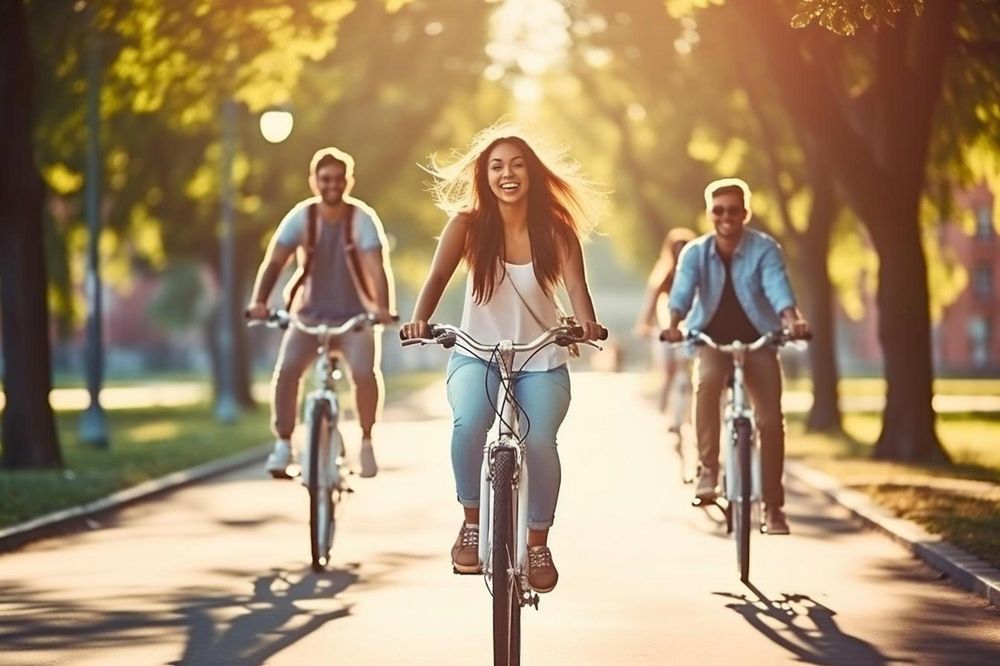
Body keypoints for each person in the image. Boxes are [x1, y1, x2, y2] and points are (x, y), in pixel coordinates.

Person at [399, 125, 605, 593]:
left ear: (531, 173)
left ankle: (538, 544)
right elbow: (436, 278)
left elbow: (576, 286)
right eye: (496, 166)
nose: (507, 174)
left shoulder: (555, 229)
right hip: (477, 352)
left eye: (516, 165)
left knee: (540, 441)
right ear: (484, 175)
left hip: (541, 357)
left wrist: (587, 323)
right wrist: (418, 320)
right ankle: (472, 522)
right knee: (469, 422)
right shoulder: (467, 225)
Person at [661, 178, 810, 535]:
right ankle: (708, 470)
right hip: (712, 340)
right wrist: (673, 324)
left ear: (745, 212)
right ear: (710, 213)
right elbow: (681, 294)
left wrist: (793, 321)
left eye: (733, 210)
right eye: (718, 210)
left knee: (771, 420)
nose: (726, 217)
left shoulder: (764, 250)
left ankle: (773, 507)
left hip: (759, 340)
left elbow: (778, 288)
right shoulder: (695, 253)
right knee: (708, 382)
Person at [246, 147, 396, 479]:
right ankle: (284, 444)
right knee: (286, 372)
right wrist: (259, 301)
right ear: (314, 182)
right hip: (309, 315)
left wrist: (383, 310)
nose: (332, 185)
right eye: (325, 179)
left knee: (363, 373)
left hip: (354, 317)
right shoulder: (302, 217)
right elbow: (275, 261)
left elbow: (376, 267)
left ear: (349, 182)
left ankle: (367, 441)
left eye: (339, 179)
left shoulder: (362, 219)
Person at [634, 227, 698, 431]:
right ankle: (667, 406)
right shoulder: (664, 276)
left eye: (684, 248)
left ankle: (693, 413)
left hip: (691, 328)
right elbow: (651, 304)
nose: (680, 252)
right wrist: (644, 324)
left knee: (698, 372)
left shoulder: (698, 274)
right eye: (676, 249)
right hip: (667, 329)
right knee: (670, 369)